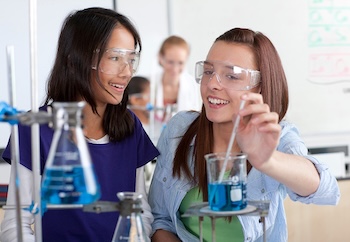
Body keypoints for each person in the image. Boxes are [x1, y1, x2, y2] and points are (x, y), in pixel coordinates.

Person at [148, 28, 340, 242]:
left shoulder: (276, 136)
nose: (212, 84)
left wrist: (268, 160)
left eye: (231, 76)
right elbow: (160, 220)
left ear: (260, 87)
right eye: (209, 71)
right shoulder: (179, 130)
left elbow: (327, 191)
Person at [0, 7, 159, 242]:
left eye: (131, 59)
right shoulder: (33, 129)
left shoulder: (130, 127)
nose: (127, 72)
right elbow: (16, 225)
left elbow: (140, 211)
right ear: (76, 60)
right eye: (115, 58)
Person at [151, 35, 202, 124]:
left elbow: (195, 119)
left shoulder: (191, 84)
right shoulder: (150, 84)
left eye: (180, 63)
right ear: (160, 58)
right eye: (170, 62)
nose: (175, 69)